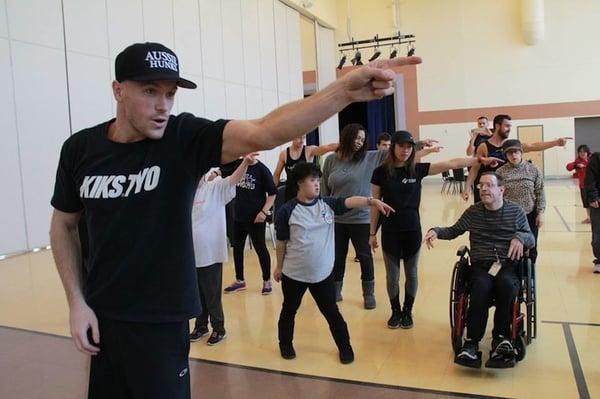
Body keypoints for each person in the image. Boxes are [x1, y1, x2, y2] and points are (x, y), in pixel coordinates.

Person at [49, 40, 422, 398]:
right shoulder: (81, 149)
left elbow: (265, 129)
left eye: (170, 94)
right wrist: (77, 302)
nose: (163, 105)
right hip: (102, 316)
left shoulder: (182, 137)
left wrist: (343, 92)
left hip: (161, 320)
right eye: (149, 91)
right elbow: (64, 225)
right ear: (118, 90)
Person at [369, 131, 503, 330]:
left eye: (409, 147)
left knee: (412, 274)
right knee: (392, 276)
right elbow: (375, 205)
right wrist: (372, 233)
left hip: (412, 229)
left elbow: (451, 163)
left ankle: (408, 310)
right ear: (393, 147)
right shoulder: (380, 172)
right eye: (402, 146)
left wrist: (480, 159)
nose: (406, 151)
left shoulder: (417, 169)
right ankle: (395, 310)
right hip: (390, 231)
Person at [273, 162, 394, 364]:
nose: (317, 184)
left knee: (332, 312)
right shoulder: (287, 211)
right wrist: (278, 267)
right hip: (294, 274)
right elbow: (281, 242)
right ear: (299, 183)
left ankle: (345, 347)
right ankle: (285, 344)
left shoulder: (327, 205)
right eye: (312, 180)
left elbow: (349, 201)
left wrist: (372, 201)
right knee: (289, 310)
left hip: (322, 274)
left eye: (318, 180)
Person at [424, 172, 534, 369]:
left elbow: (530, 238)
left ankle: (501, 337)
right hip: (481, 266)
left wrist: (519, 237)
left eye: (489, 185)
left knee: (507, 285)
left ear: (501, 190)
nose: (483, 189)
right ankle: (472, 342)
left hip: (507, 265)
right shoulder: (474, 212)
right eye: (481, 185)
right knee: (480, 287)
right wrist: (436, 231)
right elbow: (453, 230)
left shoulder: (515, 212)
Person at [189, 153, 257, 345]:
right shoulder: (186, 193)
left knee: (211, 294)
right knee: (197, 293)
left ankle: (219, 328)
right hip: (191, 254)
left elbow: (233, 179)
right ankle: (201, 326)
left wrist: (245, 162)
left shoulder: (215, 188)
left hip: (210, 254)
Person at [463, 114, 571, 202]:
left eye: (510, 126)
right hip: (488, 190)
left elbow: (533, 146)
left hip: (505, 192)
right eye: (507, 126)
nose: (509, 129)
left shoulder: (511, 145)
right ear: (497, 126)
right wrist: (467, 188)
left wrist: (556, 142)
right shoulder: (484, 146)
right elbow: (474, 169)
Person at [224, 158, 277, 295]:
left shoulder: (262, 170)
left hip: (256, 218)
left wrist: (264, 212)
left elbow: (272, 193)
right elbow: (224, 169)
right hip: (239, 216)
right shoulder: (238, 164)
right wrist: (216, 173)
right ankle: (240, 280)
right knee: (238, 249)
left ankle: (266, 281)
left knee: (261, 249)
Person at [496, 139, 545, 265]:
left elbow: (540, 192)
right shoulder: (500, 172)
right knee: (511, 247)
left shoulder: (533, 170)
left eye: (516, 152)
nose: (513, 156)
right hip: (508, 216)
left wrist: (540, 213)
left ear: (521, 152)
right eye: (509, 153)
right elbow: (496, 194)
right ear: (505, 155)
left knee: (531, 247)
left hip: (529, 214)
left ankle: (529, 271)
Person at [272, 135, 338, 186]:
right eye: (299, 138)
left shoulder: (309, 150)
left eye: (303, 137)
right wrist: (271, 191)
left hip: (306, 192)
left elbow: (328, 147)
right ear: (292, 137)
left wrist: (342, 146)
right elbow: (277, 174)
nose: (302, 141)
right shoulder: (284, 154)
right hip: (291, 193)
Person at [567, 144, 592, 223]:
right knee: (586, 203)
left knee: (595, 202)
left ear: (587, 152)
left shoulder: (592, 160)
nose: (582, 153)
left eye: (584, 151)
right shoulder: (577, 162)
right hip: (583, 186)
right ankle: (589, 218)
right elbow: (568, 167)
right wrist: (576, 165)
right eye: (580, 152)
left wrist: (586, 165)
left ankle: (595, 218)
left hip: (593, 186)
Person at [584, 152, 600, 274]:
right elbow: (589, 179)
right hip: (598, 202)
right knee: (597, 236)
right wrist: (593, 196)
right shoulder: (596, 158)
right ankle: (599, 260)